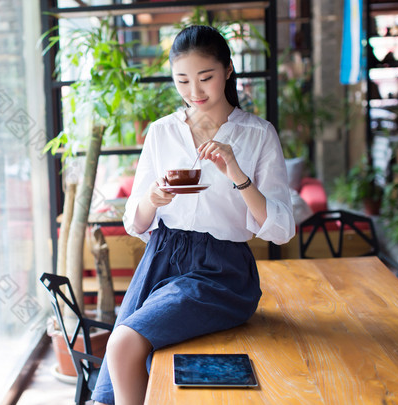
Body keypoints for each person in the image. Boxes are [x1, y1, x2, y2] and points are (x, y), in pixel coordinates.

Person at [91, 25, 295, 405]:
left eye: (206, 78)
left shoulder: (258, 134)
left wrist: (236, 172)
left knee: (122, 344)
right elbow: (135, 222)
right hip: (161, 260)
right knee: (133, 356)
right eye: (182, 80)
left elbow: (282, 229)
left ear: (228, 71)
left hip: (223, 270)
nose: (194, 92)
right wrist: (153, 198)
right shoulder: (161, 132)